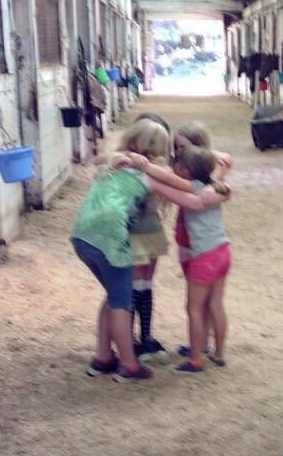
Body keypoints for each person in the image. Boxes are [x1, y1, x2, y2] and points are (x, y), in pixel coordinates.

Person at [70, 119, 228, 382]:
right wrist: (220, 189)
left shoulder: (113, 165)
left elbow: (99, 159)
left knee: (112, 296)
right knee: (122, 301)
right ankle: (130, 365)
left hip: (81, 235)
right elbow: (193, 198)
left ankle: (102, 357)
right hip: (111, 236)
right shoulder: (146, 173)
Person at [167, 145, 231, 374]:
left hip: (204, 256)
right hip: (222, 249)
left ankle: (194, 360)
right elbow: (223, 164)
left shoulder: (193, 188)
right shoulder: (213, 182)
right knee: (215, 304)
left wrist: (144, 168)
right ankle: (219, 352)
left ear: (184, 170)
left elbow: (167, 187)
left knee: (193, 307)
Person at [128, 113, 172, 359]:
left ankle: (145, 335)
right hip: (134, 233)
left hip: (151, 230)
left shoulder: (154, 169)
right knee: (135, 286)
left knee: (145, 284)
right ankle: (131, 338)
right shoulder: (129, 168)